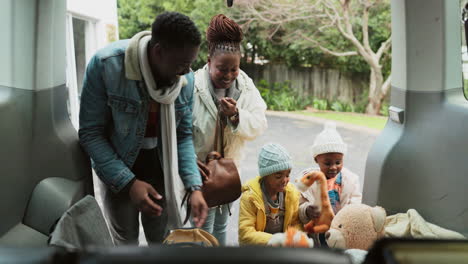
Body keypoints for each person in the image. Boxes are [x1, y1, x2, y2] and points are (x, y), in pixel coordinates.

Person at [78, 12, 208, 245]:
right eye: (181, 64)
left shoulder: (183, 80)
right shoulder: (106, 65)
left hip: (161, 168)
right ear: (158, 51)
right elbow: (91, 133)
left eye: (190, 64)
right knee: (125, 241)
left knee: (161, 240)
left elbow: (182, 136)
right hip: (118, 169)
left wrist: (194, 186)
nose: (186, 72)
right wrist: (128, 183)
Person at [192, 14, 267, 245]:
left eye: (234, 69)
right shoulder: (192, 85)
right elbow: (180, 129)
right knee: (203, 228)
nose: (228, 76)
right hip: (201, 173)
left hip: (229, 173)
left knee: (222, 226)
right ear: (208, 61)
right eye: (221, 69)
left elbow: (259, 124)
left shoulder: (245, 86)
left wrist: (236, 116)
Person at [298, 122, 362, 246]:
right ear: (316, 160)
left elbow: (356, 205)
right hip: (316, 234)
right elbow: (298, 205)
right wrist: (306, 210)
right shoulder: (309, 182)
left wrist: (346, 218)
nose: (333, 167)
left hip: (341, 233)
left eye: (338, 162)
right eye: (327, 163)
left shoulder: (350, 181)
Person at [238, 143, 302, 246]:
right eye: (278, 176)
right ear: (265, 176)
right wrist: (277, 240)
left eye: (287, 175)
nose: (285, 180)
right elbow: (245, 233)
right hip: (257, 251)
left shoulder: (291, 194)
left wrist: (295, 237)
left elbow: (295, 223)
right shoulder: (250, 198)